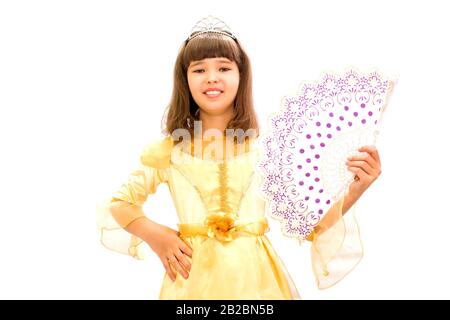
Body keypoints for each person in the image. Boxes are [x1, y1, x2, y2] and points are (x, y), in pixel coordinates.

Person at [96, 16, 382, 299]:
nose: (212, 78)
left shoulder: (266, 148)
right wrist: (158, 236)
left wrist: (357, 187)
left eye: (224, 67)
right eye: (199, 70)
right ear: (184, 79)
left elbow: (310, 226)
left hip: (258, 284)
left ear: (241, 75)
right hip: (191, 283)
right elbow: (120, 204)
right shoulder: (170, 150)